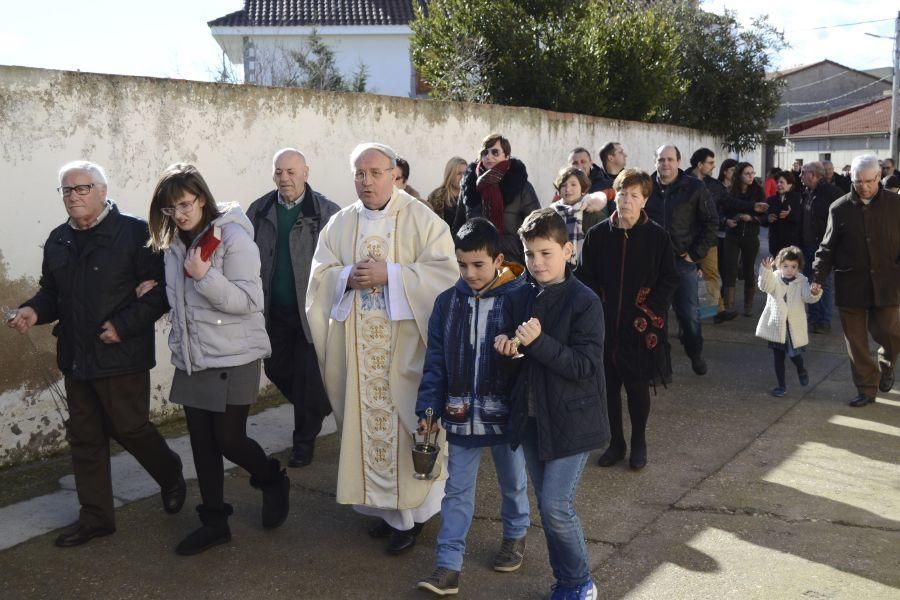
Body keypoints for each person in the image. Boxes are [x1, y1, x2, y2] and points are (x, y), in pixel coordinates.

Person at [7, 161, 185, 547]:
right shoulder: (57, 240)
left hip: (120, 354)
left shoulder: (136, 233)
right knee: (85, 438)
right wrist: (33, 310)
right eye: (67, 190)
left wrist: (123, 324)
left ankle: (169, 471)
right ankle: (96, 518)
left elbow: (160, 292)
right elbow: (51, 291)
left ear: (102, 191)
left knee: (129, 427)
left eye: (82, 188)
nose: (73, 196)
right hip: (76, 355)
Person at [307, 142, 459, 554]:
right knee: (367, 431)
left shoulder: (421, 220)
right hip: (359, 357)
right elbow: (319, 278)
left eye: (375, 173)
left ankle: (411, 518)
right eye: (359, 173)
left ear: (394, 175)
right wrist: (345, 279)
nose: (366, 181)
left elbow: (446, 275)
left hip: (406, 353)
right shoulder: (339, 224)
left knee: (407, 430)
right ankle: (383, 511)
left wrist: (391, 274)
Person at [146, 163, 288, 555]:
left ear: (202, 198)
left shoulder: (233, 237)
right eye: (171, 208)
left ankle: (271, 478)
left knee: (228, 439)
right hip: (194, 356)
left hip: (235, 353)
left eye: (186, 204)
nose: (180, 213)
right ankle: (215, 521)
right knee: (201, 443)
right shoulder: (174, 244)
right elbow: (179, 296)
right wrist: (156, 286)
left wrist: (204, 276)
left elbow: (249, 301)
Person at [415, 218, 531, 596]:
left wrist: (516, 353)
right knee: (457, 490)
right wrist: (428, 411)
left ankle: (515, 535)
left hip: (506, 417)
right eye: (462, 265)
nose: (470, 273)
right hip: (460, 415)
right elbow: (435, 362)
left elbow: (531, 358)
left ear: (498, 259)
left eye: (478, 265)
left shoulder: (520, 298)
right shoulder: (447, 304)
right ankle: (448, 567)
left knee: (513, 482)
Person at [495, 208, 607, 600]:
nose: (537, 263)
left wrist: (537, 343)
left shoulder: (585, 301)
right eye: (529, 254)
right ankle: (565, 583)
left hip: (572, 420)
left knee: (557, 506)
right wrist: (508, 348)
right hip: (530, 418)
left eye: (546, 253)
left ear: (567, 251)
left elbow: (585, 366)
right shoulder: (516, 294)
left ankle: (580, 584)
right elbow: (512, 350)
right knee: (547, 506)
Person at [246, 148, 340, 468]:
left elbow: (339, 263)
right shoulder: (260, 210)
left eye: (291, 172)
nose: (284, 178)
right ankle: (317, 406)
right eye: (279, 172)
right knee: (276, 369)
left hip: (311, 312)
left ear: (305, 173)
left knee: (307, 376)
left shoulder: (326, 212)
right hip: (273, 309)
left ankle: (303, 442)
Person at [579, 169, 679, 470]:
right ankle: (616, 443)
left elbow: (669, 280)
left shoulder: (658, 237)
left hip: (640, 327)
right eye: (622, 194)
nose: (626, 201)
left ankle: (639, 441)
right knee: (607, 389)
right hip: (605, 327)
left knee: (637, 389)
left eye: (634, 195)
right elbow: (584, 278)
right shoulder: (597, 236)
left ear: (644, 200)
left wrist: (650, 309)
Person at [812, 154, 900, 407]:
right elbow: (827, 247)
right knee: (856, 341)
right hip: (851, 283)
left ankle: (887, 361)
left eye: (869, 181)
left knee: (891, 332)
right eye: (858, 181)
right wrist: (818, 276)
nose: (864, 186)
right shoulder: (839, 208)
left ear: (879, 177)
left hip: (887, 283)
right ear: (851, 178)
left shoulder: (896, 204)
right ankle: (866, 388)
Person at [645, 145, 717, 375]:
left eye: (669, 159)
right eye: (661, 159)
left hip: (682, 263)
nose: (665, 164)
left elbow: (711, 223)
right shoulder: (645, 186)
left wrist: (694, 254)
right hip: (653, 264)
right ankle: (661, 367)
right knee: (656, 317)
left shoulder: (694, 187)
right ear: (655, 161)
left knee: (689, 316)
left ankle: (695, 352)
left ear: (678, 161)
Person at [453, 133, 541, 266]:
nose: (489, 156)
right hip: (476, 262)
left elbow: (535, 226)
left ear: (506, 156)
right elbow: (459, 226)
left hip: (512, 262)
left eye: (495, 152)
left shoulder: (521, 186)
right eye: (485, 152)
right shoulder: (469, 186)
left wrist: (521, 252)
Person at [755, 247, 821, 397]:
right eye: (785, 266)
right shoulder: (774, 278)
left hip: (793, 328)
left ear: (798, 267)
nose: (789, 270)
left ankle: (801, 368)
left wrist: (814, 292)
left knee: (794, 355)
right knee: (778, 358)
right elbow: (765, 286)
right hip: (777, 326)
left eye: (793, 267)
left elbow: (808, 298)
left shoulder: (802, 281)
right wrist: (765, 271)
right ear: (779, 265)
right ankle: (781, 386)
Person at [798, 162, 843, 334]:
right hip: (808, 245)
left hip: (823, 246)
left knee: (823, 283)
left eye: (804, 172)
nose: (801, 175)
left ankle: (823, 321)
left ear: (814, 174)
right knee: (810, 282)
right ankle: (814, 318)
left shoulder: (832, 193)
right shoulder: (808, 192)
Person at [689, 148, 732, 324]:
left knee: (711, 274)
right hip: (687, 239)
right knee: (690, 278)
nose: (714, 166)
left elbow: (729, 201)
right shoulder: (682, 181)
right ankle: (689, 316)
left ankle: (715, 311)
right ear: (700, 165)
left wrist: (753, 207)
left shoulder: (713, 185)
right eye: (710, 163)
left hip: (708, 239)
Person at [722, 162, 768, 317]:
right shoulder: (730, 190)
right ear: (739, 175)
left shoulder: (758, 191)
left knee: (748, 270)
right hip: (733, 234)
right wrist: (731, 218)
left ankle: (748, 306)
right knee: (730, 269)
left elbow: (764, 214)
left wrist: (752, 217)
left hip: (750, 235)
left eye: (752, 173)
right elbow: (726, 207)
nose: (751, 176)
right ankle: (730, 306)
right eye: (747, 173)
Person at [550, 167, 609, 265]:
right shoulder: (551, 214)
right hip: (557, 266)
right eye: (563, 185)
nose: (568, 189)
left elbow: (603, 247)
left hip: (586, 267)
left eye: (573, 185)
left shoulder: (593, 214)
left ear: (583, 188)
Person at [762, 171, 802, 257]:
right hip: (775, 244)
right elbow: (763, 220)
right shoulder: (771, 200)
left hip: (792, 244)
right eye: (777, 183)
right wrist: (767, 219)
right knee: (777, 270)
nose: (778, 185)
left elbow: (801, 219)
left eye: (782, 182)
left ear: (790, 184)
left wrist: (790, 214)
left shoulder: (798, 198)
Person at [427, 157, 467, 228]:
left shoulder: (471, 196)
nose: (463, 177)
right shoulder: (436, 197)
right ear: (450, 174)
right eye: (459, 173)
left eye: (465, 173)